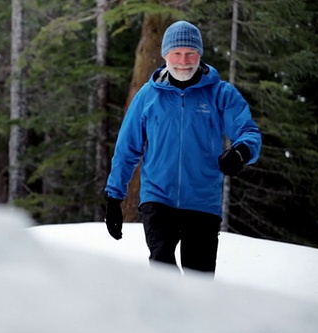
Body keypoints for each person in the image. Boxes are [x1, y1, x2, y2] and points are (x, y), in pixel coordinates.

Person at [104, 20, 262, 275]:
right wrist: (114, 197)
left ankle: (192, 314)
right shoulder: (148, 96)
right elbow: (127, 147)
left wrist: (241, 152)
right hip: (158, 198)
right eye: (176, 53)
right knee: (161, 263)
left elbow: (248, 132)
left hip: (202, 202)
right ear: (165, 55)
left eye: (190, 53)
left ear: (200, 55)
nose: (183, 61)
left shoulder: (220, 94)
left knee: (197, 282)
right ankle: (163, 313)